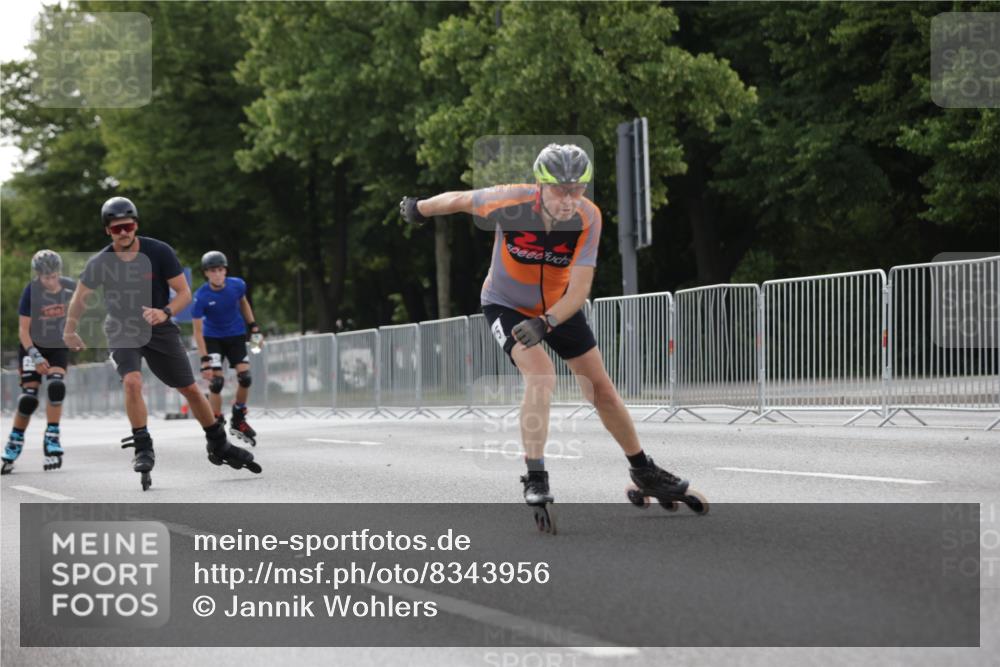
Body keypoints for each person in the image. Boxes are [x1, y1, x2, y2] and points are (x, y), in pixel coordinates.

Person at [400, 144, 705, 518]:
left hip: (557, 309)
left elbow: (579, 289)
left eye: (577, 189)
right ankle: (535, 476)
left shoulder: (588, 218)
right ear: (539, 186)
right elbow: (460, 199)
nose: (569, 198)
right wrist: (419, 208)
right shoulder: (509, 202)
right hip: (505, 304)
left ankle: (643, 470)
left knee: (601, 388)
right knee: (541, 375)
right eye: (560, 189)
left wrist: (547, 322)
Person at [61, 196, 261, 490]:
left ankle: (218, 443)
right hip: (122, 328)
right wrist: (69, 330)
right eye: (117, 229)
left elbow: (183, 293)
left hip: (159, 326)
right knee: (132, 382)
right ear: (108, 231)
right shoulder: (101, 262)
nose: (124, 233)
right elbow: (80, 299)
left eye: (128, 226)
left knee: (191, 389)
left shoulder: (159, 251)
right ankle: (143, 445)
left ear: (136, 225)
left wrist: (165, 312)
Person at [2, 250, 75, 474]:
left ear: (59, 273)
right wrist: (35, 355)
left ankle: (52, 437)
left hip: (57, 345)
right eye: (46, 278)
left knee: (55, 386)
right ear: (38, 276)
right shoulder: (31, 292)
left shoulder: (71, 288)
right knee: (29, 399)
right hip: (32, 346)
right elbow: (23, 331)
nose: (51, 282)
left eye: (54, 276)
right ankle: (14, 442)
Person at [191, 250, 263, 446]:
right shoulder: (201, 297)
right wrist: (205, 360)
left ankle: (238, 417)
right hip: (213, 338)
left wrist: (254, 328)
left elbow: (244, 303)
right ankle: (216, 421)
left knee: (245, 378)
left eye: (220, 270)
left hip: (236, 335)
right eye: (212, 270)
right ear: (206, 273)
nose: (217, 274)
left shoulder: (237, 285)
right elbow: (197, 332)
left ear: (225, 271)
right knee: (216, 383)